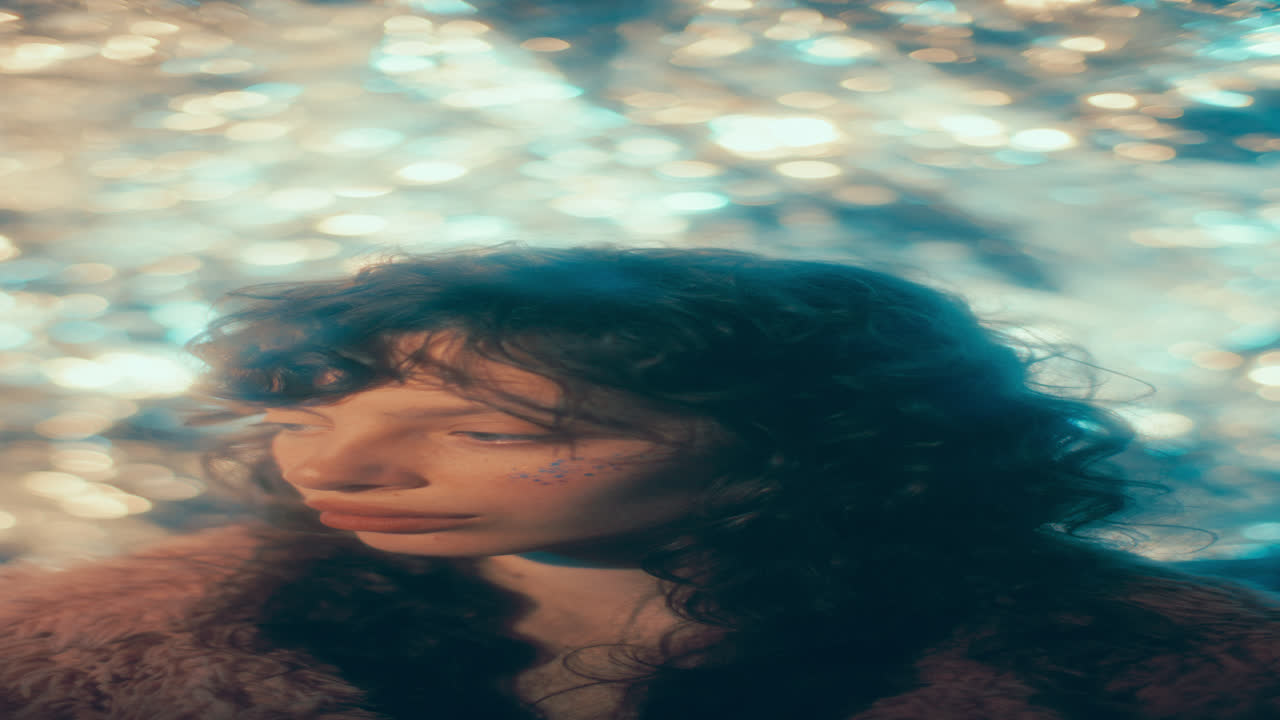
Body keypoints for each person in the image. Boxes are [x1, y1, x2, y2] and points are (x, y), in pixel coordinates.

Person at [1, 242, 1278, 720]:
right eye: (311, 401)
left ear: (803, 451)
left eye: (495, 429)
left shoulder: (1160, 683)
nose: (335, 464)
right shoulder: (67, 662)